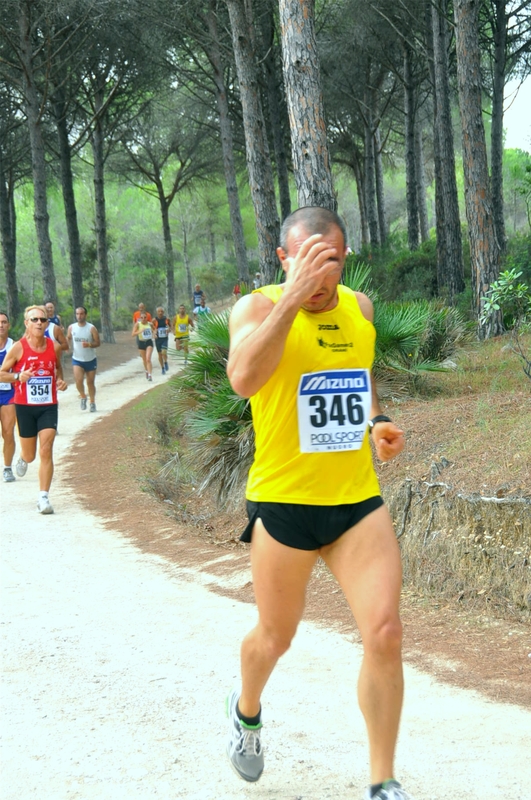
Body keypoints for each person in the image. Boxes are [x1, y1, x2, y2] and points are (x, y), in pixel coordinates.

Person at [225, 207, 410, 800]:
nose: (318, 275)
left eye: (327, 261)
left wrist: (377, 418)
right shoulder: (255, 308)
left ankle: (382, 781)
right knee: (275, 638)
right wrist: (291, 300)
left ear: (344, 256)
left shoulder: (360, 309)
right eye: (304, 261)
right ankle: (246, 710)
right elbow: (243, 379)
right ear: (284, 259)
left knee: (384, 632)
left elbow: (358, 370)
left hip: (357, 502)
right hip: (284, 505)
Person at [0, 305, 68, 514]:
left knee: (46, 449)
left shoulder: (54, 347)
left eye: (43, 320)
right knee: (30, 456)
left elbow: (57, 369)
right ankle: (22, 457)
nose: (39, 323)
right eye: (35, 320)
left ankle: (43, 497)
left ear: (47, 323)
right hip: (24, 406)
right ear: (26, 323)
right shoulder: (19, 348)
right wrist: (17, 377)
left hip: (48, 406)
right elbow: (2, 373)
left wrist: (61, 381)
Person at [67, 306, 100, 411]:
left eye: (81, 314)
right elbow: (68, 337)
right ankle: (83, 396)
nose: (79, 316)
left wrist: (90, 344)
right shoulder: (72, 327)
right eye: (77, 314)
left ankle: (92, 402)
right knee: (78, 380)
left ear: (85, 315)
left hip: (90, 359)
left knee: (90, 382)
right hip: (77, 359)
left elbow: (98, 342)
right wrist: (67, 346)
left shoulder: (91, 328)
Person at [0, 312, 17, 482]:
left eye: (4, 322)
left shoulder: (14, 346)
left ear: (8, 325)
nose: (1, 325)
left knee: (8, 432)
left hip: (9, 393)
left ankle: (7, 467)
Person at [132, 310, 155, 381]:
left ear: (147, 317)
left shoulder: (150, 324)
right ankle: (146, 371)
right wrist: (140, 331)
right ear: (140, 318)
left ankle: (150, 375)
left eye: (145, 317)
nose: (144, 319)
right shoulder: (138, 324)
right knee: (144, 360)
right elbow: (133, 334)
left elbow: (154, 329)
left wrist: (154, 334)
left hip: (148, 342)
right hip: (141, 343)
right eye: (142, 317)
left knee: (148, 359)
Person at [153, 306, 171, 374]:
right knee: (159, 354)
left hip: (164, 338)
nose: (160, 313)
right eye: (159, 311)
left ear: (163, 312)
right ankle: (162, 368)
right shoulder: (154, 320)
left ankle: (165, 362)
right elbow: (151, 327)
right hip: (158, 339)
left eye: (161, 311)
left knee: (164, 352)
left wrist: (169, 329)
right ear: (157, 312)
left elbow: (170, 326)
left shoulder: (166, 319)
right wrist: (154, 333)